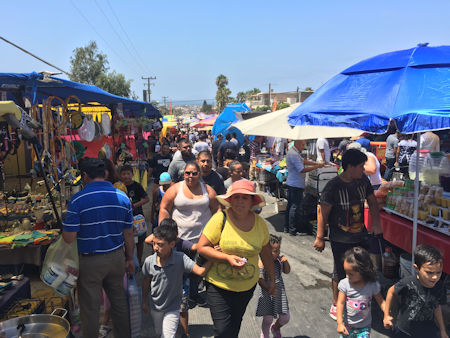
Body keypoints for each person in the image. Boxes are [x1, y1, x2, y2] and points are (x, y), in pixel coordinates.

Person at [62, 158, 134, 338]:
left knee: (90, 309)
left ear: (84, 176)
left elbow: (69, 238)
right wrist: (130, 259)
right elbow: (128, 234)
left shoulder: (78, 200)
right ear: (106, 174)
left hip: (90, 262)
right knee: (119, 304)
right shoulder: (123, 197)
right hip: (117, 257)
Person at [197, 179, 276, 338]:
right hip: (218, 284)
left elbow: (266, 254)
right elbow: (202, 247)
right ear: (230, 200)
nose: (240, 201)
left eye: (245, 197)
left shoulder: (260, 224)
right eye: (236, 197)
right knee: (222, 330)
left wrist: (272, 279)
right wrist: (226, 258)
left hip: (246, 287)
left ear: (252, 201)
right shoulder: (220, 219)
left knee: (234, 326)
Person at [314, 149, 383, 321]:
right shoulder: (333, 186)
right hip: (339, 238)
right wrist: (320, 237)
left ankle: (359, 298)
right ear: (350, 166)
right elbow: (323, 212)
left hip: (360, 234)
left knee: (362, 268)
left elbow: (373, 202)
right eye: (361, 166)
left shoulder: (363, 181)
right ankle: (337, 303)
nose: (364, 169)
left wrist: (376, 223)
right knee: (340, 271)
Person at [159, 162, 219, 319]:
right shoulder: (175, 189)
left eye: (194, 173)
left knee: (197, 271)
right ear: (183, 174)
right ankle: (181, 299)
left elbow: (217, 211)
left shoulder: (208, 190)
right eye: (187, 173)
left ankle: (194, 295)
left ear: (199, 174)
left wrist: (218, 235)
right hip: (179, 240)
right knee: (181, 271)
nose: (190, 176)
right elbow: (164, 208)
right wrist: (164, 233)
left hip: (202, 241)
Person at [142, 221, 211, 338]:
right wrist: (143, 301)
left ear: (172, 244)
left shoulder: (181, 259)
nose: (155, 248)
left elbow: (200, 271)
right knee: (159, 332)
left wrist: (213, 257)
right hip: (156, 306)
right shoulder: (149, 261)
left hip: (173, 306)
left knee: (168, 335)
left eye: (160, 244)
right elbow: (145, 282)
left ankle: (185, 333)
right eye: (154, 244)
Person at [384, 244, 447, 338]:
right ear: (417, 268)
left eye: (438, 272)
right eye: (429, 272)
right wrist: (386, 315)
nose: (435, 277)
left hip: (428, 332)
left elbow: (436, 307)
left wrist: (442, 330)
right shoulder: (408, 282)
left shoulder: (440, 287)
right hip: (404, 331)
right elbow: (391, 291)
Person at [336, 247, 386, 338]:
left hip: (364, 327)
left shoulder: (372, 285)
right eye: (346, 272)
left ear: (363, 271)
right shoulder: (344, 284)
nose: (347, 276)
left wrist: (387, 315)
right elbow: (340, 303)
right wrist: (339, 323)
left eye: (350, 274)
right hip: (347, 326)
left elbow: (381, 301)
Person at [285, 139, 324, 235]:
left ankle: (288, 227)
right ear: (297, 144)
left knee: (291, 206)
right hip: (295, 184)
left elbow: (304, 161)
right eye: (302, 145)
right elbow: (302, 169)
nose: (303, 147)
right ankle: (292, 230)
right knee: (294, 206)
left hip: (293, 183)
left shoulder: (295, 152)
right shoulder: (293, 154)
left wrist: (316, 164)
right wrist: (316, 167)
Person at [256, 234, 291, 338]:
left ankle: (275, 328)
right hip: (267, 293)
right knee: (268, 318)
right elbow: (260, 279)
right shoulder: (262, 262)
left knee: (285, 317)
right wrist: (268, 289)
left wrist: (285, 261)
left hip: (280, 293)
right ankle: (264, 333)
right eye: (275, 251)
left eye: (279, 250)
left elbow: (287, 271)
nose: (278, 253)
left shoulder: (279, 261)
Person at [119, 164, 150, 264]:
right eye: (123, 174)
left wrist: (133, 206)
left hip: (137, 219)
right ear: (120, 175)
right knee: (126, 241)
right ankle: (127, 260)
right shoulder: (118, 187)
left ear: (132, 175)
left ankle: (139, 260)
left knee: (139, 241)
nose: (126, 176)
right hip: (123, 219)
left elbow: (146, 199)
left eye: (128, 174)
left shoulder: (137, 186)